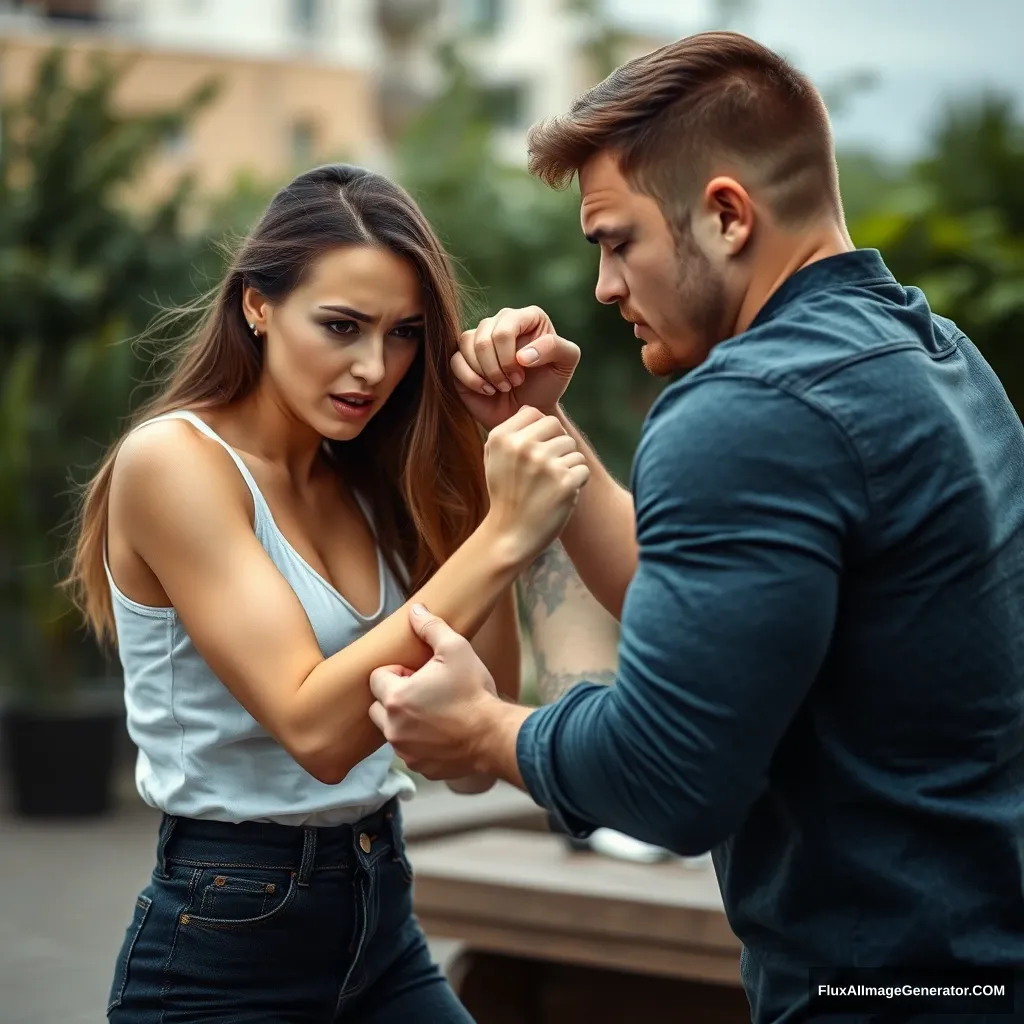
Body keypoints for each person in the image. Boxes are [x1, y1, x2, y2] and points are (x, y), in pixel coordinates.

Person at [366, 32, 1024, 1024]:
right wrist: (538, 429)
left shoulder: (747, 405)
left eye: (616, 239)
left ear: (724, 214)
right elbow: (719, 621)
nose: (603, 286)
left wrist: (485, 733)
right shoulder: (936, 355)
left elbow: (668, 775)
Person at [63, 163, 590, 1023]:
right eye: (340, 325)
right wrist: (504, 535)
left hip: (380, 917)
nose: (373, 367)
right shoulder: (176, 462)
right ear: (257, 305)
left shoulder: (369, 477)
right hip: (226, 939)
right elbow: (315, 729)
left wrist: (492, 441)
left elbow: (470, 726)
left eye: (405, 334)